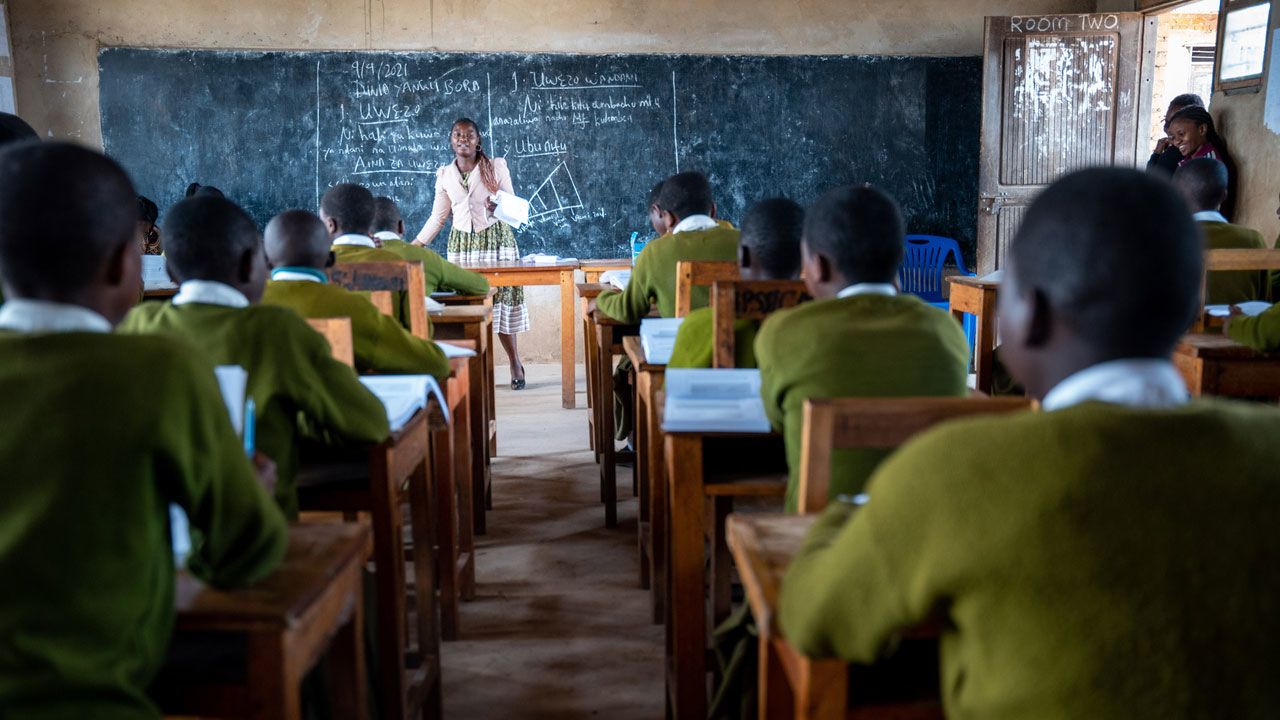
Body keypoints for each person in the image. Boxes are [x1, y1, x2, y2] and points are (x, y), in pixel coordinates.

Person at [780, 167, 1280, 718]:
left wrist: (853, 510)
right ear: (1190, 308)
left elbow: (814, 617)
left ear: (1031, 313)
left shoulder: (957, 469)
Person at [0, 142, 287, 718]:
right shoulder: (157, 370)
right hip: (96, 699)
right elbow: (244, 552)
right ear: (121, 263)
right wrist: (254, 491)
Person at [118, 195, 391, 518]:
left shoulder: (134, 328)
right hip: (261, 523)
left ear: (171, 272)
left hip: (162, 529)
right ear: (253, 263)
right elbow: (370, 422)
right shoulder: (278, 330)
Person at [755, 185, 969, 511]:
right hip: (924, 526)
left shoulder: (784, 331)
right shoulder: (946, 331)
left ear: (819, 266)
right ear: (899, 259)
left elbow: (777, 420)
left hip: (821, 532)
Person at [260, 208, 451, 378]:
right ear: (329, 259)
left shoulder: (246, 307)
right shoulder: (352, 309)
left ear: (266, 262)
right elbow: (436, 363)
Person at [414, 117, 528, 389]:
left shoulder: (495, 167)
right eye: (457, 134)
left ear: (478, 141)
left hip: (496, 241)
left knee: (500, 303)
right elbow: (438, 217)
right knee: (468, 307)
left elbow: (517, 210)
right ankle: (475, 370)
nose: (463, 139)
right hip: (462, 246)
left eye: (469, 135)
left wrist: (496, 208)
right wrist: (415, 245)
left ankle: (514, 362)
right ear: (451, 140)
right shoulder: (444, 175)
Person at [668, 197, 804, 369]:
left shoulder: (699, 328)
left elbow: (670, 394)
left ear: (744, 256)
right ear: (808, 259)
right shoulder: (825, 325)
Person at [594, 171, 740, 322]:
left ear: (668, 218)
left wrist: (601, 299)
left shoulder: (654, 253)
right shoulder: (745, 243)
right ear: (713, 210)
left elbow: (627, 310)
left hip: (683, 344)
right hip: (745, 343)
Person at [1172, 158, 1267, 304]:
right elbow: (1264, 303)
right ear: (1224, 196)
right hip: (1238, 325)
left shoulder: (1167, 239)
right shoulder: (1253, 240)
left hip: (1182, 326)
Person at [371, 195, 490, 296]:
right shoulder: (426, 259)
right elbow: (482, 286)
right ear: (401, 227)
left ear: (367, 232)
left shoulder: (354, 258)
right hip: (414, 323)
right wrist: (438, 282)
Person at [1167, 105, 1237, 219]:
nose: (1177, 142)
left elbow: (1210, 210)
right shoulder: (1190, 160)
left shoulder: (1210, 164)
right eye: (1173, 137)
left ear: (1202, 129)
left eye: (1181, 134)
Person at [1146, 93, 1204, 177]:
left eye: (1176, 123)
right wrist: (1157, 153)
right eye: (1166, 122)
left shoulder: (1174, 155)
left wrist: (1156, 155)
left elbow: (1150, 182)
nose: (1167, 129)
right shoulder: (1175, 150)